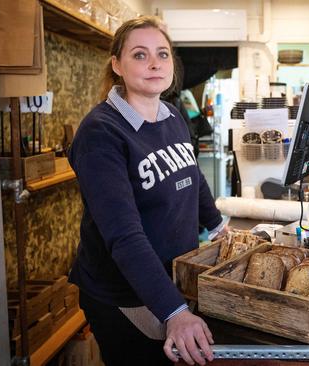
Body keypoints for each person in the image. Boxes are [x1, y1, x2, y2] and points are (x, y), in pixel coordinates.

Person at [68, 16, 225, 366]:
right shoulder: (100, 134)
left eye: (163, 54)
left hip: (171, 278)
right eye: (139, 55)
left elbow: (192, 176)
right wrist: (175, 312)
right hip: (124, 294)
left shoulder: (170, 115)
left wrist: (219, 227)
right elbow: (124, 235)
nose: (155, 63)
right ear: (117, 65)